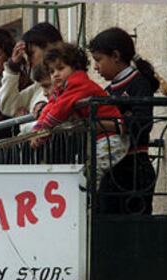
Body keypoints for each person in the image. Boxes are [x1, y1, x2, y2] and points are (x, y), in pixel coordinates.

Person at [31, 43, 129, 187]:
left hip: (111, 139)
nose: (55, 74)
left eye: (61, 68)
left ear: (76, 68)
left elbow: (60, 108)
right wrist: (38, 128)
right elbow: (52, 106)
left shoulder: (78, 83)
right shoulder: (63, 88)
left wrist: (44, 130)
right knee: (87, 174)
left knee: (92, 176)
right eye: (52, 71)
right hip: (99, 139)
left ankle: (90, 202)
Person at [89, 27, 159, 214]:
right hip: (112, 168)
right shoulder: (108, 91)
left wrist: (108, 124)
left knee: (132, 228)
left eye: (98, 60)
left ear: (116, 56)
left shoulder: (138, 83)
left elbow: (143, 123)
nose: (95, 67)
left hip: (134, 166)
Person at [0, 22, 63, 120]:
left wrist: (24, 123)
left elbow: (47, 124)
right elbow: (8, 106)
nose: (28, 61)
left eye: (31, 54)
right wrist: (12, 67)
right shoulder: (38, 87)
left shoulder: (64, 82)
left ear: (49, 47)